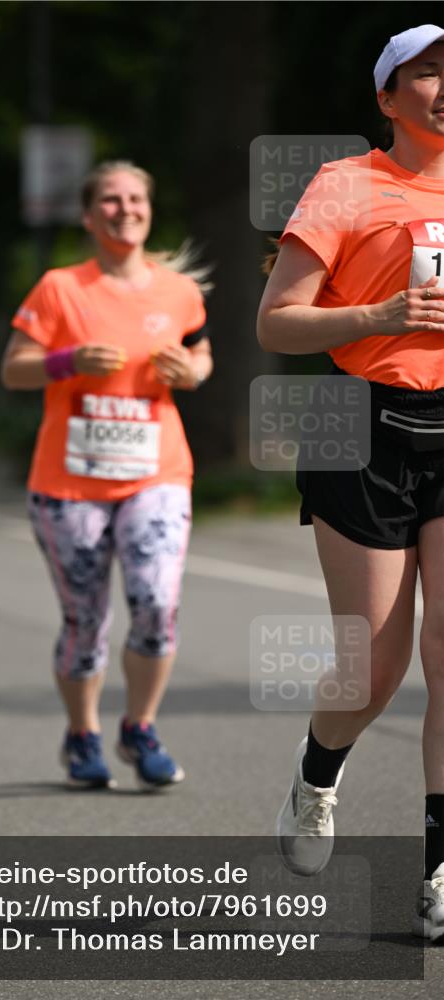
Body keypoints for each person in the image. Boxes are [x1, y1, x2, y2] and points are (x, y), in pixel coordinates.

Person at [257, 24, 444, 941]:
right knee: (371, 667)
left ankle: (439, 870)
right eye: (427, 72)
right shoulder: (345, 184)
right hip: (357, 423)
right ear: (386, 96)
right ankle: (315, 775)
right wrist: (376, 311)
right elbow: (276, 323)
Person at [1, 161, 213, 791]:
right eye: (111, 201)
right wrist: (67, 360)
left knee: (155, 603)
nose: (125, 209)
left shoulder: (177, 291)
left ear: (149, 210)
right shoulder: (61, 288)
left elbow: (201, 349)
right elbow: (14, 368)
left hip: (157, 475)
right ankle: (83, 734)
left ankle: (139, 728)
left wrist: (193, 371)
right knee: (85, 621)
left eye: (136, 199)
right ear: (90, 217)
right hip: (70, 484)